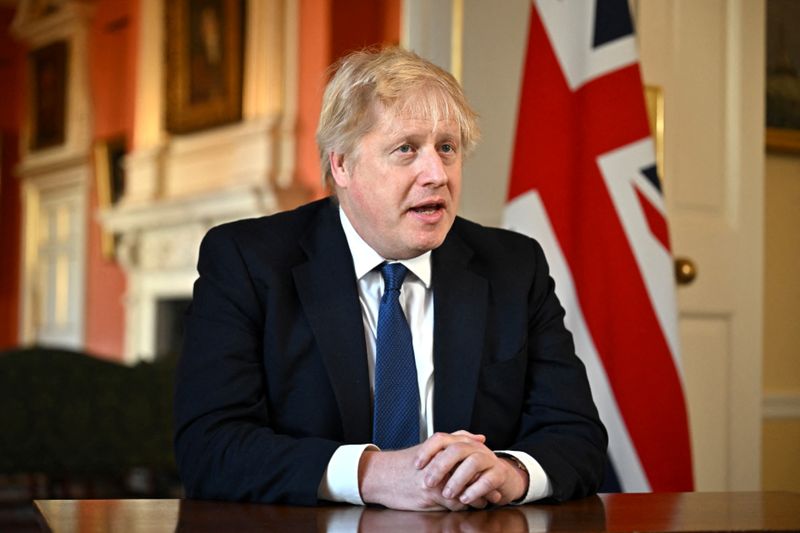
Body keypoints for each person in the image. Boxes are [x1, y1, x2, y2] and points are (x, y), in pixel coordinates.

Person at [174, 46, 607, 511]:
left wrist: (511, 472)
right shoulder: (247, 262)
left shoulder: (514, 267)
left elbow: (577, 436)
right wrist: (372, 474)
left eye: (447, 148)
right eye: (406, 149)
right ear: (341, 164)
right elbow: (209, 448)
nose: (437, 174)